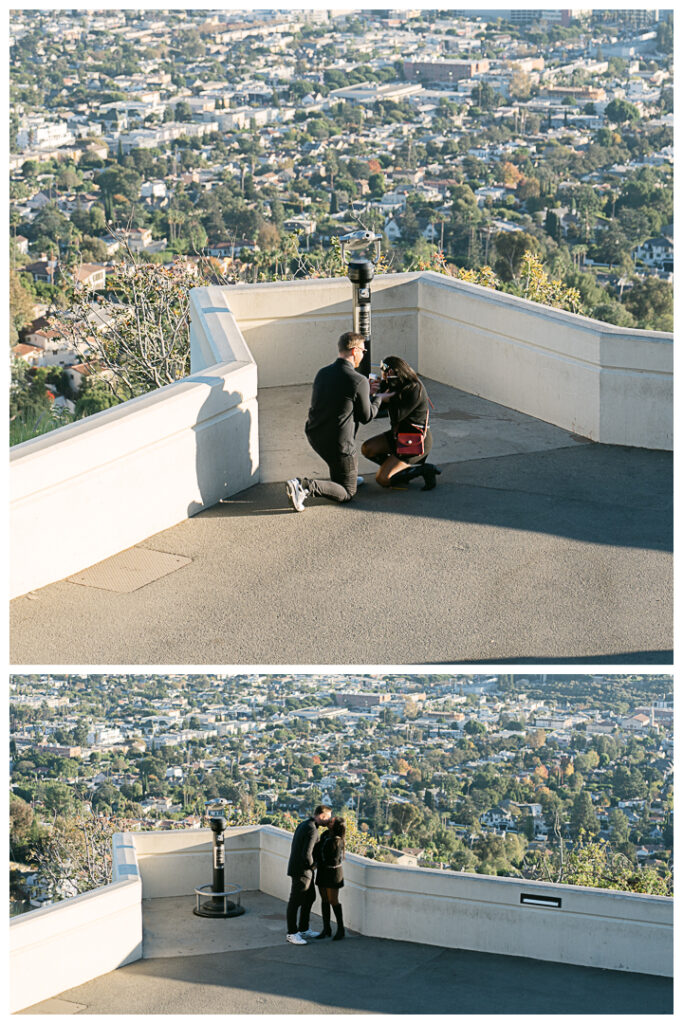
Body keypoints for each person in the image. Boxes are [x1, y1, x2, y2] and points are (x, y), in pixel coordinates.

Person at [285, 331, 385, 512]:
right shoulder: (358, 380)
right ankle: (304, 486)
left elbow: (340, 397)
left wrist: (364, 392)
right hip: (339, 445)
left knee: (343, 472)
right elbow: (367, 416)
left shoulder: (322, 373)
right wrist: (379, 398)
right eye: (363, 350)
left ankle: (347, 477)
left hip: (315, 435)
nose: (363, 354)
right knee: (347, 493)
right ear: (354, 351)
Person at [361, 355, 441, 490]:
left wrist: (384, 399)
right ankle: (400, 472)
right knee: (367, 448)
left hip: (415, 440)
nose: (383, 376)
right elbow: (376, 409)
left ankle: (425, 470)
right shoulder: (395, 384)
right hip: (398, 435)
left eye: (384, 373)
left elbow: (397, 415)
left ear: (391, 372)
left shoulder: (414, 388)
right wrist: (373, 393)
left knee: (383, 479)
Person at [285, 804, 332, 945]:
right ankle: (292, 933)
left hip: (301, 870)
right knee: (295, 901)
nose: (329, 821)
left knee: (310, 897)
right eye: (328, 818)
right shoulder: (312, 830)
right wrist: (313, 866)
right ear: (322, 816)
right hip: (302, 871)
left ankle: (303, 928)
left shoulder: (305, 824)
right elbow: (307, 853)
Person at [313, 816, 346, 941]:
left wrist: (317, 863)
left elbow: (331, 859)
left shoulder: (337, 841)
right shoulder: (326, 835)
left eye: (331, 821)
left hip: (333, 873)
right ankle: (326, 929)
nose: (329, 821)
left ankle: (340, 929)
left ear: (336, 826)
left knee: (333, 900)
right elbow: (318, 850)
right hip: (323, 871)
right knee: (324, 900)